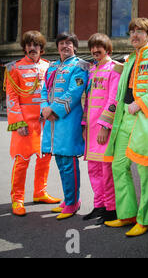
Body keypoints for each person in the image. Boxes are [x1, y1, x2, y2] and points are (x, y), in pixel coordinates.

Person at [103, 18, 148, 236]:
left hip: (144, 119)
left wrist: (140, 103)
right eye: (132, 31)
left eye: (140, 31)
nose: (135, 35)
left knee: (145, 171)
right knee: (118, 167)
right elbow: (120, 91)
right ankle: (127, 215)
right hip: (124, 119)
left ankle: (146, 219)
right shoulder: (130, 59)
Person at [4, 30, 61, 216]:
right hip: (25, 123)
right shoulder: (14, 68)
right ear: (24, 48)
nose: (32, 48)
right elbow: (11, 98)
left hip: (45, 121)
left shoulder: (49, 67)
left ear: (41, 47)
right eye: (29, 45)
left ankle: (40, 192)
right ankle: (17, 199)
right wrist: (18, 123)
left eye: (36, 45)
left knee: (44, 158)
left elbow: (54, 93)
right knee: (22, 161)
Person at [40, 32, 89, 220]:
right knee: (60, 161)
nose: (65, 46)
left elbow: (75, 92)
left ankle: (72, 203)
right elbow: (44, 90)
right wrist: (44, 108)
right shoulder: (52, 67)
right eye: (62, 43)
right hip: (51, 122)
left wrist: (53, 110)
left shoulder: (80, 66)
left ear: (75, 47)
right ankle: (69, 199)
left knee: (68, 162)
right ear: (57, 47)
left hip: (68, 120)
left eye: (69, 43)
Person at [81, 33, 122, 224]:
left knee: (106, 171)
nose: (95, 50)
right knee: (93, 169)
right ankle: (98, 206)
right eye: (92, 47)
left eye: (99, 47)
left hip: (103, 128)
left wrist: (105, 125)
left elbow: (113, 100)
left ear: (108, 49)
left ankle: (110, 209)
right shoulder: (92, 70)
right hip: (90, 130)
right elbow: (87, 101)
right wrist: (84, 125)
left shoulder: (114, 69)